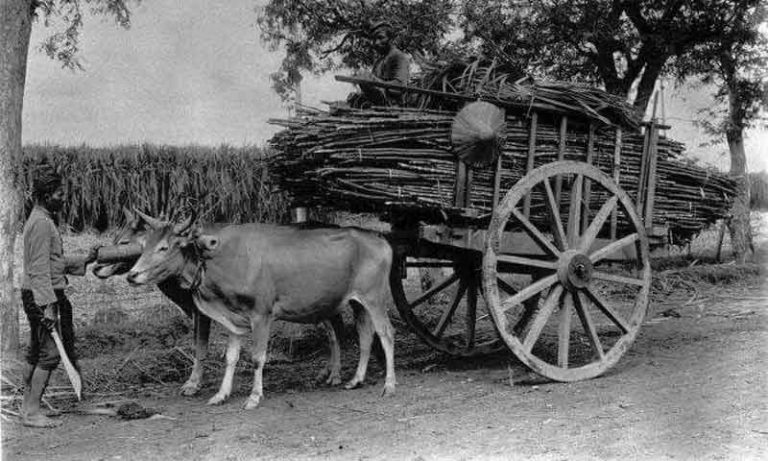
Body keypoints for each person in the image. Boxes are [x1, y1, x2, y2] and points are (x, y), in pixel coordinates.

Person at [20, 165, 99, 428]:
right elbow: (40, 269)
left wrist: (84, 260)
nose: (63, 199)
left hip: (36, 293)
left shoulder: (42, 220)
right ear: (45, 196)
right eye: (59, 194)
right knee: (50, 355)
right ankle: (31, 412)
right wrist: (49, 307)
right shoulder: (42, 224)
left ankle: (27, 406)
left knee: (35, 352)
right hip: (42, 295)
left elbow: (53, 261)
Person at [349, 20, 410, 107]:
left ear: (391, 39)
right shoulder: (378, 62)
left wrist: (374, 81)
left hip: (394, 107)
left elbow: (400, 87)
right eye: (374, 40)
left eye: (381, 38)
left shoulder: (399, 57)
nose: (376, 43)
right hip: (376, 105)